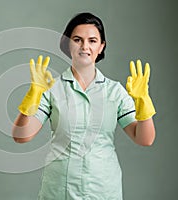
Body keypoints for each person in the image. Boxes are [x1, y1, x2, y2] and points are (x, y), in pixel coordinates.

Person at [12, 12, 156, 200]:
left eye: (93, 40)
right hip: (58, 190)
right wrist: (31, 100)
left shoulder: (115, 91)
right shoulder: (50, 88)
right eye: (77, 40)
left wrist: (143, 103)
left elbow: (144, 139)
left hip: (103, 189)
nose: (85, 46)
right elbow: (21, 136)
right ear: (67, 44)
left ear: (101, 46)